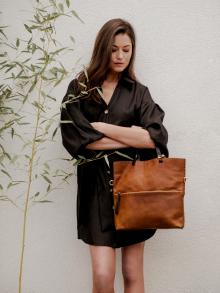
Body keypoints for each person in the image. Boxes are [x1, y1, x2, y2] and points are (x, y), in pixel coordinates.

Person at [60, 18, 168, 293]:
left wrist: (103, 129)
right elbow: (78, 141)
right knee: (103, 274)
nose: (120, 56)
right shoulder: (80, 90)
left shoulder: (138, 93)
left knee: (132, 272)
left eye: (126, 49)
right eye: (114, 49)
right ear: (102, 49)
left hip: (134, 190)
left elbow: (154, 137)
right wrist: (130, 135)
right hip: (95, 191)